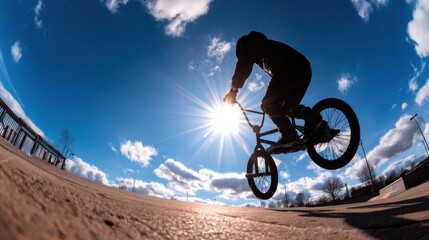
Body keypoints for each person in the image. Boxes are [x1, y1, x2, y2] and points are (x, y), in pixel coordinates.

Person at [224, 31, 327, 152]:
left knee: (268, 104)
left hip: (289, 67)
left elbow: (243, 66)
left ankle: (289, 136)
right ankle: (317, 124)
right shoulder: (269, 50)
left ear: (242, 49)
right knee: (288, 108)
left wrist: (233, 90)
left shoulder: (252, 46)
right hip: (304, 70)